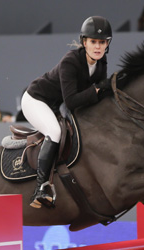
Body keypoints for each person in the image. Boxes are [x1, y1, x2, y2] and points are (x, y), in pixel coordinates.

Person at [21, 16, 112, 209]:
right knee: (54, 132)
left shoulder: (101, 62)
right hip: (36, 100)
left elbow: (96, 99)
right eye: (93, 42)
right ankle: (41, 188)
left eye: (102, 42)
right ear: (84, 42)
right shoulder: (71, 61)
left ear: (107, 44)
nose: (98, 47)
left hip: (55, 105)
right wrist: (97, 90)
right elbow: (72, 101)